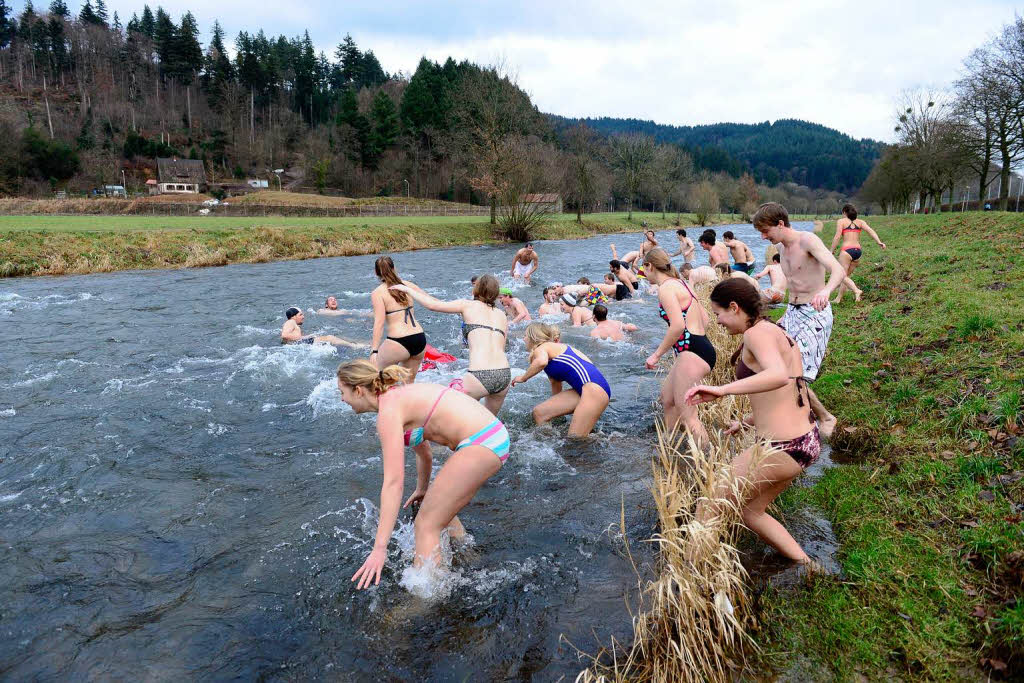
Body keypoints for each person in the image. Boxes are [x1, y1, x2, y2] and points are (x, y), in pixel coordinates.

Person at [338, 361, 510, 588]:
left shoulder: (388, 413)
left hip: (482, 443)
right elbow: (424, 453)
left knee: (426, 525)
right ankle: (469, 557)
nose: (342, 399)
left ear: (358, 390)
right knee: (436, 508)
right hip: (490, 438)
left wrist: (379, 549)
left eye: (342, 392)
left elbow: (393, 482)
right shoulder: (396, 398)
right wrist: (422, 488)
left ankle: (427, 597)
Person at [684, 278, 820, 565]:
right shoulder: (774, 330)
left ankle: (688, 578)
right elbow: (787, 390)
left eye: (719, 314)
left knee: (711, 501)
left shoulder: (756, 334)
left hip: (782, 446)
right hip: (805, 439)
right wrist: (746, 421)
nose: (718, 322)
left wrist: (721, 390)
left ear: (734, 307)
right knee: (751, 512)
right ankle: (807, 567)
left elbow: (778, 376)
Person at [751, 202, 845, 438]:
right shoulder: (781, 249)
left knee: (794, 373)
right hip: (792, 312)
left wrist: (826, 292)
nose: (763, 237)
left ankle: (825, 416)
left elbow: (838, 270)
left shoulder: (808, 240)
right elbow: (789, 283)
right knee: (767, 361)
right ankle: (779, 413)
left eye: (765, 231)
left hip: (815, 312)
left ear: (780, 224)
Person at [390, 274, 512, 414]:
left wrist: (408, 290)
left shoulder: (467, 305)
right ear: (496, 293)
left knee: (444, 417)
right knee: (487, 425)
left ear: (476, 290)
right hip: (504, 375)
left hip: (480, 375)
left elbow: (433, 305)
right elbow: (501, 347)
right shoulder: (502, 315)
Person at [642, 248, 716, 445]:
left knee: (689, 416)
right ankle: (669, 444)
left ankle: (708, 463)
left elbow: (677, 326)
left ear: (650, 266)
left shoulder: (665, 288)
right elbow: (706, 319)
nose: (644, 274)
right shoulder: (682, 284)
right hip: (699, 347)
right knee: (667, 399)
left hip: (691, 352)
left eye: (644, 270)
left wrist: (656, 355)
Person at [510, 322, 611, 437]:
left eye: (525, 336)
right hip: (584, 390)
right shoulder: (552, 352)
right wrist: (556, 411)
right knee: (540, 413)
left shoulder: (543, 347)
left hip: (594, 390)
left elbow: (541, 362)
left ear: (533, 337)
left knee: (575, 439)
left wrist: (523, 378)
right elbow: (555, 384)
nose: (524, 339)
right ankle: (549, 444)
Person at [371, 256, 428, 380]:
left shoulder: (378, 292)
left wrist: (374, 351)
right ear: (394, 268)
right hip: (419, 338)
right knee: (408, 385)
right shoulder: (407, 285)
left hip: (398, 341)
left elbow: (379, 323)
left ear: (376, 272)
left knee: (376, 378)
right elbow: (430, 301)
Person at [829, 203, 887, 304]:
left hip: (847, 251)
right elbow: (871, 231)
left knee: (841, 275)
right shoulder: (860, 222)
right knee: (845, 276)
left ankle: (856, 290)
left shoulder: (841, 221)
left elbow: (837, 237)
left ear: (844, 212)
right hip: (857, 251)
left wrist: (831, 251)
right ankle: (838, 299)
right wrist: (879, 242)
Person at [280, 307, 367, 348]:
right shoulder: (290, 322)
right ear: (293, 316)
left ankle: (352, 344)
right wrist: (301, 337)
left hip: (298, 345)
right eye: (300, 315)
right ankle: (353, 346)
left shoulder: (292, 324)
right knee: (330, 338)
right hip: (298, 345)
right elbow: (284, 335)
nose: (303, 317)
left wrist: (306, 336)